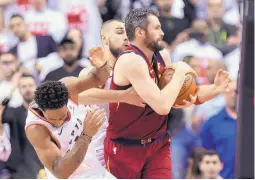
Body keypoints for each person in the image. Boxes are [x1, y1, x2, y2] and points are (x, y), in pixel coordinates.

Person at [101, 8, 232, 179]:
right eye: (156, 28)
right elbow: (162, 105)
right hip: (125, 147)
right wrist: (181, 71)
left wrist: (216, 89)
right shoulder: (130, 60)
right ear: (140, 32)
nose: (162, 33)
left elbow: (187, 96)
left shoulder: (163, 55)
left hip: (158, 144)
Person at [24, 52, 143, 178]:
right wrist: (86, 135)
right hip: (71, 174)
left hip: (92, 161)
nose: (59, 122)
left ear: (67, 99)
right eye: (52, 119)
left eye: (63, 117)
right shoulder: (36, 128)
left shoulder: (67, 87)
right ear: (42, 110)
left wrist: (102, 65)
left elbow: (97, 78)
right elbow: (60, 172)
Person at [78, 19, 131, 167]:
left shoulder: (137, 71)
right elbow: (81, 96)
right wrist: (101, 69)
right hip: (100, 152)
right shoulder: (89, 72)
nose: (126, 37)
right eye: (120, 32)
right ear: (104, 39)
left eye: (129, 33)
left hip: (132, 150)